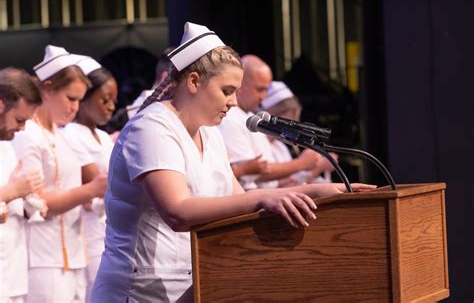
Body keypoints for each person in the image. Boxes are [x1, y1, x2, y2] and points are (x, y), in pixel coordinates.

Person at [91, 22, 375, 302]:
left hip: (195, 283)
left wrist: (314, 193)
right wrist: (265, 197)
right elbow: (178, 212)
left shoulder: (210, 134)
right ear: (193, 82)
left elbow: (239, 201)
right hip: (138, 291)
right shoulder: (151, 127)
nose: (234, 102)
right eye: (227, 90)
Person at [11, 45, 107, 303]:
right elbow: (36, 203)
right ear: (47, 88)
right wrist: (89, 190)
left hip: (74, 254)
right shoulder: (27, 134)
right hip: (43, 258)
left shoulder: (58, 134)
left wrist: (82, 197)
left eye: (79, 100)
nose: (75, 108)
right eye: (70, 98)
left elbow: (64, 190)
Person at [61, 56, 118, 302]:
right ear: (83, 99)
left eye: (114, 100)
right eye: (105, 100)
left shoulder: (104, 137)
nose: (112, 106)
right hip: (91, 232)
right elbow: (102, 182)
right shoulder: (72, 134)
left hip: (111, 229)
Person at [218, 55, 321, 189]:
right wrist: (302, 163)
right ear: (241, 84)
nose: (264, 96)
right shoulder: (230, 118)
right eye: (260, 89)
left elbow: (265, 177)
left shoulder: (248, 116)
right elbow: (254, 173)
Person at [0, 67, 44, 302]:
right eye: (19, 119)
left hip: (13, 276)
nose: (22, 129)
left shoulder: (7, 145)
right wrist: (11, 191)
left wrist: (29, 204)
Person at [260, 81, 337, 185]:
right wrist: (316, 167)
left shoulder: (280, 147)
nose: (294, 124)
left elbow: (296, 185)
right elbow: (279, 187)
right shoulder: (260, 144)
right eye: (291, 119)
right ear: (273, 115)